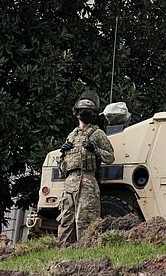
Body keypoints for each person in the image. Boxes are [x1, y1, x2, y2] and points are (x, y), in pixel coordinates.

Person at [56, 98, 115, 245]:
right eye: (84, 112)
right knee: (66, 219)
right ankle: (62, 252)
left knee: (86, 220)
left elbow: (110, 157)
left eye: (90, 113)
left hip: (87, 180)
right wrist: (62, 153)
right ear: (77, 114)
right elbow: (63, 167)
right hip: (70, 181)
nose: (87, 115)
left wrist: (95, 149)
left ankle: (87, 251)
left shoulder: (97, 134)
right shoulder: (71, 136)